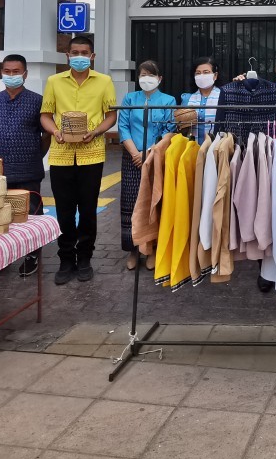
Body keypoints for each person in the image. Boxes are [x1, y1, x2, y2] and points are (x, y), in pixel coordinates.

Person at [40, 35, 117, 285]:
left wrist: (95, 131)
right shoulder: (54, 81)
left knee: (87, 210)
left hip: (91, 154)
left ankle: (84, 258)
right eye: (75, 53)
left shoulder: (104, 82)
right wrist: (55, 131)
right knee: (63, 210)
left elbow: (111, 115)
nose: (80, 57)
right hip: (61, 155)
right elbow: (46, 115)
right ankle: (65, 259)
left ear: (92, 56)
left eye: (85, 53)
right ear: (68, 56)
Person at [0, 54, 47, 276]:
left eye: (16, 72)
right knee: (0, 215)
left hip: (29, 167)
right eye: (7, 71)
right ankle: (3, 256)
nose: (11, 75)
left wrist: (36, 154)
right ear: (1, 73)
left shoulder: (38, 101)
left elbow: (46, 134)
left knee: (31, 213)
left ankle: (32, 255)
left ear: (25, 74)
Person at [118, 60, 176, 270]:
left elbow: (170, 128)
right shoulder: (130, 98)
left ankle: (151, 247)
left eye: (151, 75)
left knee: (154, 201)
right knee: (132, 204)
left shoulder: (169, 101)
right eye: (143, 75)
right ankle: (133, 250)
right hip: (132, 158)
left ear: (159, 79)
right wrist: (136, 153)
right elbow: (123, 126)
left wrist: (150, 152)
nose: (146, 79)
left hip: (156, 157)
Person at [180, 57, 221, 143]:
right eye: (198, 73)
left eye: (206, 72)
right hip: (192, 149)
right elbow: (181, 129)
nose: (201, 76)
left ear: (215, 75)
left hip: (216, 148)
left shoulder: (223, 96)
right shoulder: (187, 99)